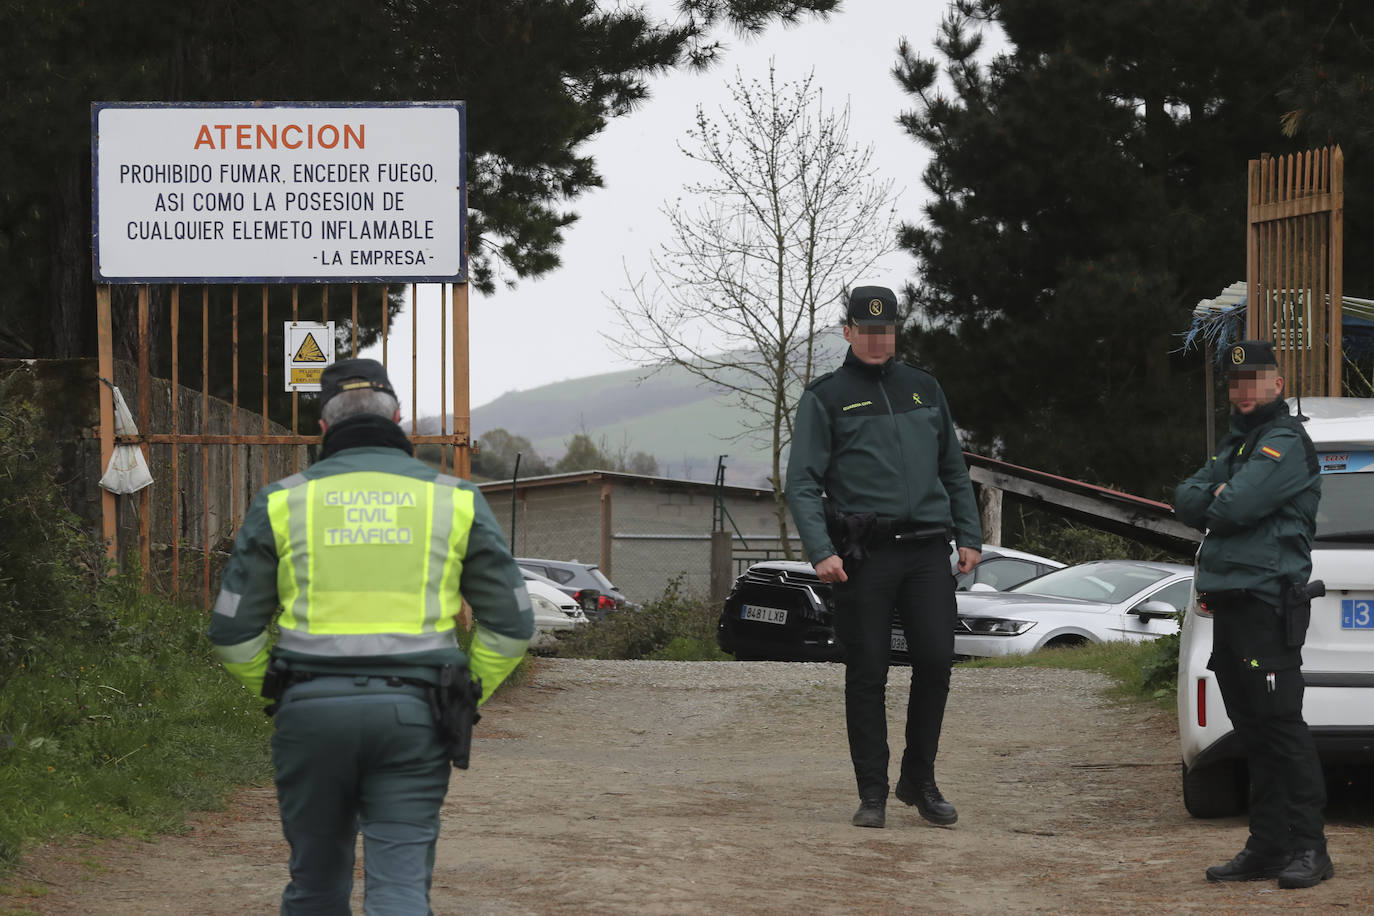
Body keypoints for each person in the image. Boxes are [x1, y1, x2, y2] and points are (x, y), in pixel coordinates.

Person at [208, 358, 534, 914]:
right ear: (400, 418)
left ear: (322, 428)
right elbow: (512, 624)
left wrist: (283, 690)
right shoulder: (454, 498)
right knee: (401, 889)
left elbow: (233, 632)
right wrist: (463, 690)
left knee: (314, 886)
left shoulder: (282, 501)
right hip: (417, 714)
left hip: (309, 713)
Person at [786, 285, 982, 829]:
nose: (877, 340)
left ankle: (919, 782)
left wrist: (970, 535)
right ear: (847, 331)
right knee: (868, 673)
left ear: (896, 332)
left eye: (886, 330)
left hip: (927, 552)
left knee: (937, 666)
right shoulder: (825, 396)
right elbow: (802, 483)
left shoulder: (924, 389)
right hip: (864, 557)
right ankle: (871, 792)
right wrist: (820, 551)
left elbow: (953, 468)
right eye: (867, 331)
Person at [1173, 339, 1331, 889]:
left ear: (1278, 384)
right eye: (1236, 382)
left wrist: (1220, 496)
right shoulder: (1239, 445)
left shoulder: (1285, 442)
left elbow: (1231, 506)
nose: (1244, 390)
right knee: (1252, 732)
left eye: (1255, 379)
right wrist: (1221, 491)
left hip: (1266, 602)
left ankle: (1311, 847)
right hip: (1231, 605)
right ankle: (1266, 847)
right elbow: (1185, 498)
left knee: (1281, 728)